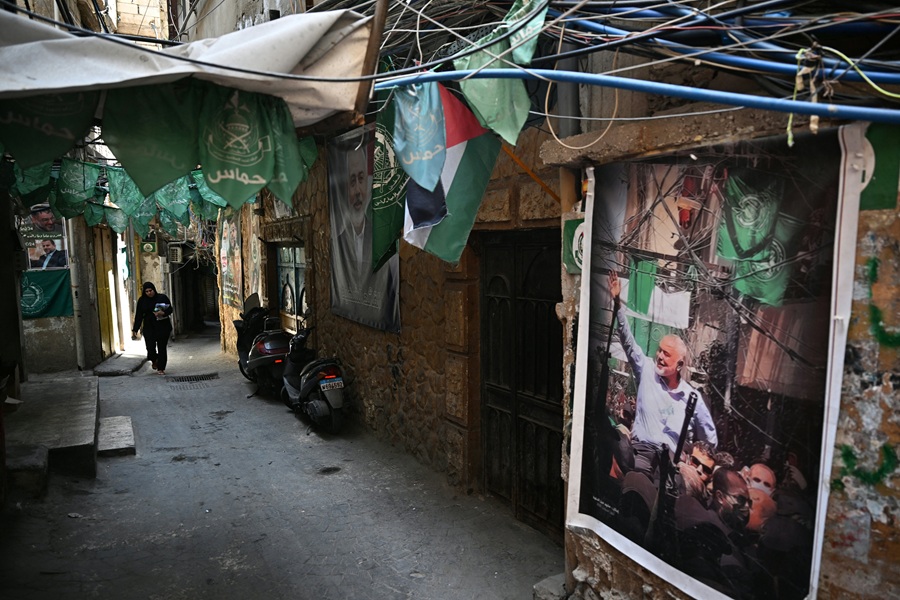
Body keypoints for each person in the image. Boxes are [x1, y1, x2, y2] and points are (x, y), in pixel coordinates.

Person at [608, 270, 717, 457]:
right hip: (641, 455)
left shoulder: (692, 398)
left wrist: (692, 455)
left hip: (671, 465)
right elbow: (628, 342)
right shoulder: (646, 370)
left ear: (679, 364)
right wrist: (617, 305)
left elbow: (710, 441)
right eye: (659, 350)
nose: (659, 356)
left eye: (666, 354)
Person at [329, 141, 400, 331]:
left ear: (368, 185)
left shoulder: (383, 242)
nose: (357, 191)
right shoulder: (338, 244)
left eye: (361, 179)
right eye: (352, 181)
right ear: (344, 189)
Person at [132, 282, 173, 375]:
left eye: (150, 291)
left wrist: (163, 313)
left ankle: (161, 368)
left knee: (162, 348)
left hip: (162, 326)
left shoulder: (162, 298)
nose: (149, 293)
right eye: (146, 291)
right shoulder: (142, 300)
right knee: (150, 347)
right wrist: (135, 329)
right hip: (149, 327)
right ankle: (155, 359)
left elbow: (170, 309)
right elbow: (139, 315)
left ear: (154, 289)